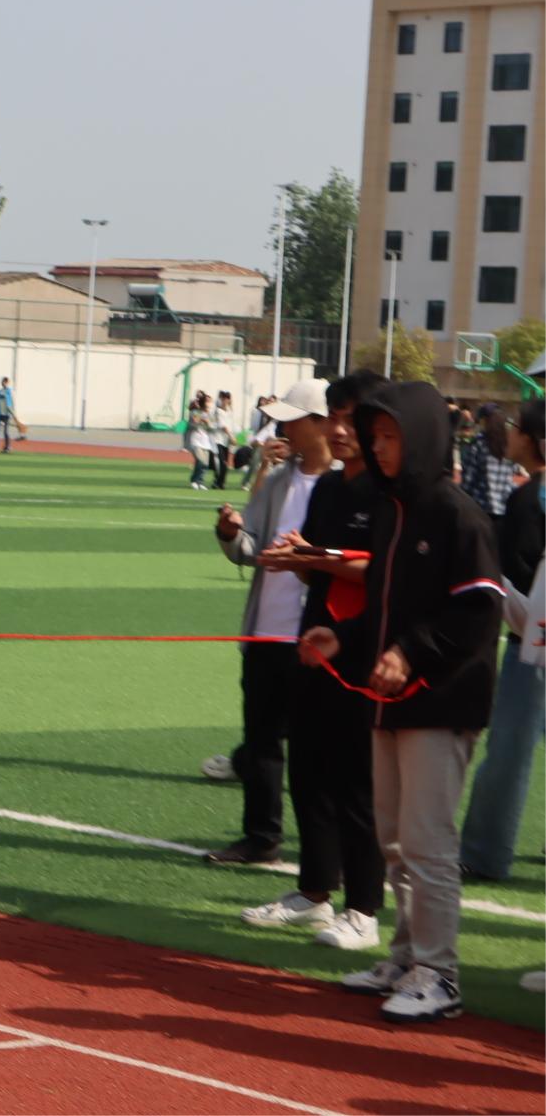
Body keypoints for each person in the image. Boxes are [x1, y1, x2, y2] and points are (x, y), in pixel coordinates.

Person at [300, 381, 503, 1023]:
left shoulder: (457, 515)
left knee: (426, 842)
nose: (379, 447)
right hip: (388, 700)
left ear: (421, 438)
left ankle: (439, 975)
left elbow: (480, 609)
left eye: (391, 436)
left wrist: (412, 653)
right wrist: (345, 637)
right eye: (376, 435)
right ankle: (408, 958)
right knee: (393, 839)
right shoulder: (392, 512)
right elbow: (385, 608)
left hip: (442, 703)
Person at [242, 370, 388, 949]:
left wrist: (315, 558)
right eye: (337, 418)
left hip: (362, 653)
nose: (341, 430)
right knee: (307, 772)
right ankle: (313, 892)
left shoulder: (387, 494)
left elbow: (381, 571)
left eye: (352, 420)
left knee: (356, 785)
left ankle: (364, 911)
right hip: (313, 646)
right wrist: (296, 559)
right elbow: (318, 568)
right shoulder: (328, 489)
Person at [205, 378, 333, 865]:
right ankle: (261, 838)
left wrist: (308, 558)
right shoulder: (278, 479)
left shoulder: (346, 486)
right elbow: (250, 548)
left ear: (321, 423)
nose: (284, 430)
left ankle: (324, 851)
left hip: (318, 637)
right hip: (264, 632)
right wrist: (229, 532)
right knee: (260, 742)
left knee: (313, 751)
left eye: (293, 421)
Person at [459, 398, 544, 881]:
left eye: (515, 425)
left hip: (532, 642)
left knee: (508, 750)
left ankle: (484, 852)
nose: (507, 431)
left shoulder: (529, 499)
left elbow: (519, 579)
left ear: (532, 439)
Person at [459, 403, 519, 540]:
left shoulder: (479, 443)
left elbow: (468, 480)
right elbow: (514, 472)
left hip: (480, 510)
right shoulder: (509, 444)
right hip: (504, 510)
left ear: (485, 420)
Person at [185, 392, 215, 489]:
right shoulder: (195, 412)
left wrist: (208, 423)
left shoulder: (209, 415)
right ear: (203, 403)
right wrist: (199, 420)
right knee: (200, 460)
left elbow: (212, 428)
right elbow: (192, 424)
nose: (209, 404)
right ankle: (194, 480)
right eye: (207, 402)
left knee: (205, 464)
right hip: (196, 440)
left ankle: (200, 482)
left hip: (206, 442)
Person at [212, 391, 236, 490]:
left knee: (226, 463)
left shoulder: (230, 412)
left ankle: (220, 482)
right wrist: (231, 436)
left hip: (227, 441)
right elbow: (223, 426)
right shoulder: (218, 411)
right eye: (223, 399)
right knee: (221, 462)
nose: (225, 401)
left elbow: (232, 426)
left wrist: (233, 437)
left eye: (227, 399)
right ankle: (218, 482)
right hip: (218, 439)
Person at [0, 378, 19, 452]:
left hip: (7, 414)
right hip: (0, 413)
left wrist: (13, 414)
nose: (3, 383)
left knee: (5, 431)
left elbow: (10, 404)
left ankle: (7, 447)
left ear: (7, 383)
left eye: (5, 382)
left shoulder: (9, 391)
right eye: (3, 382)